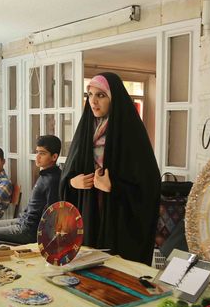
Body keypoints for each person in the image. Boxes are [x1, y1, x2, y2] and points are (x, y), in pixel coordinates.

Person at [60, 72, 160, 265]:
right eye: (90, 95)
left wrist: (114, 186)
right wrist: (73, 182)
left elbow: (150, 186)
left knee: (116, 273)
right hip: (88, 214)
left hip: (118, 220)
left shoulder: (132, 134)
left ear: (114, 98)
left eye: (101, 95)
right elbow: (68, 173)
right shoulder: (85, 131)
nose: (93, 101)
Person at [0, 135, 62, 249]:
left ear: (54, 157)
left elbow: (51, 213)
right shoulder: (45, 175)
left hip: (28, 230)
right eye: (37, 152)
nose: (37, 157)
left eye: (42, 153)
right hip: (23, 221)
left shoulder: (52, 179)